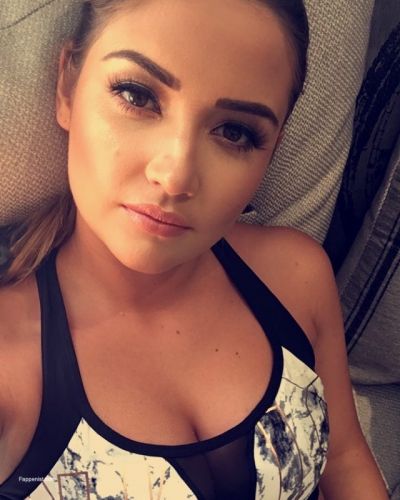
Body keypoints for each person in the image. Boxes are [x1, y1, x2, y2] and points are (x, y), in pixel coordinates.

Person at [0, 0, 388, 498]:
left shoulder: (295, 277)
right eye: (137, 96)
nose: (176, 175)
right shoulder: (10, 367)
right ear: (67, 87)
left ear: (272, 148)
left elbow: (346, 461)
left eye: (235, 132)